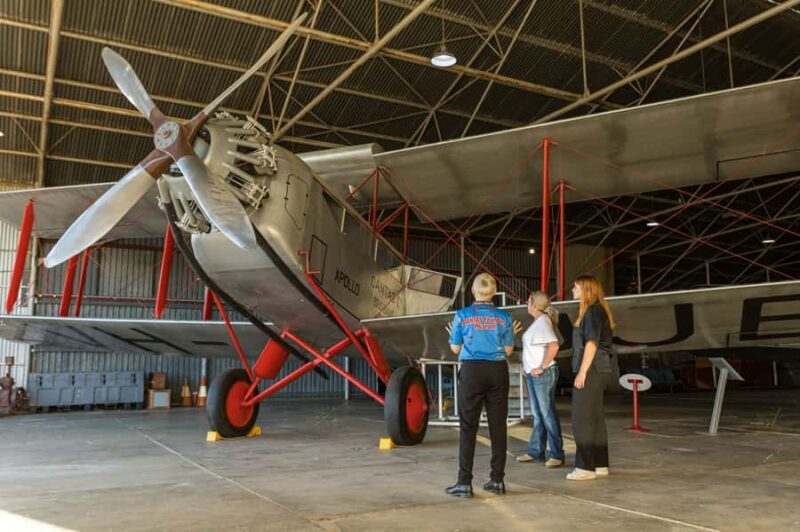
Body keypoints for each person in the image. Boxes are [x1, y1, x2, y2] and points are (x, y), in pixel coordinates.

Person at [444, 273, 520, 498]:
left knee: (468, 426)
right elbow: (508, 351)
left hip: (472, 371)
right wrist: (510, 336)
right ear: (494, 293)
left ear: (473, 292)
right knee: (498, 426)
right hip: (497, 371)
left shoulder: (462, 315)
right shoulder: (504, 318)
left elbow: (455, 349)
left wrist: (453, 337)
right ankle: (497, 480)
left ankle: (464, 482)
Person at [567, 275, 616, 481]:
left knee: (581, 417)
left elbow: (591, 343)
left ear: (587, 290)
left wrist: (582, 371)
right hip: (602, 369)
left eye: (576, 287)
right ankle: (600, 464)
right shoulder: (597, 310)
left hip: (593, 369)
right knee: (595, 417)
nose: (573, 291)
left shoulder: (593, 311)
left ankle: (585, 467)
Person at [516, 291, 565, 468]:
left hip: (542, 375)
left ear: (534, 305)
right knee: (538, 415)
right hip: (533, 374)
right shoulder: (539, 322)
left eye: (528, 301)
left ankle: (557, 454)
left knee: (547, 414)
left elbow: (554, 345)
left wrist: (541, 367)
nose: (526, 304)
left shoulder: (543, 322)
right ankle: (535, 451)